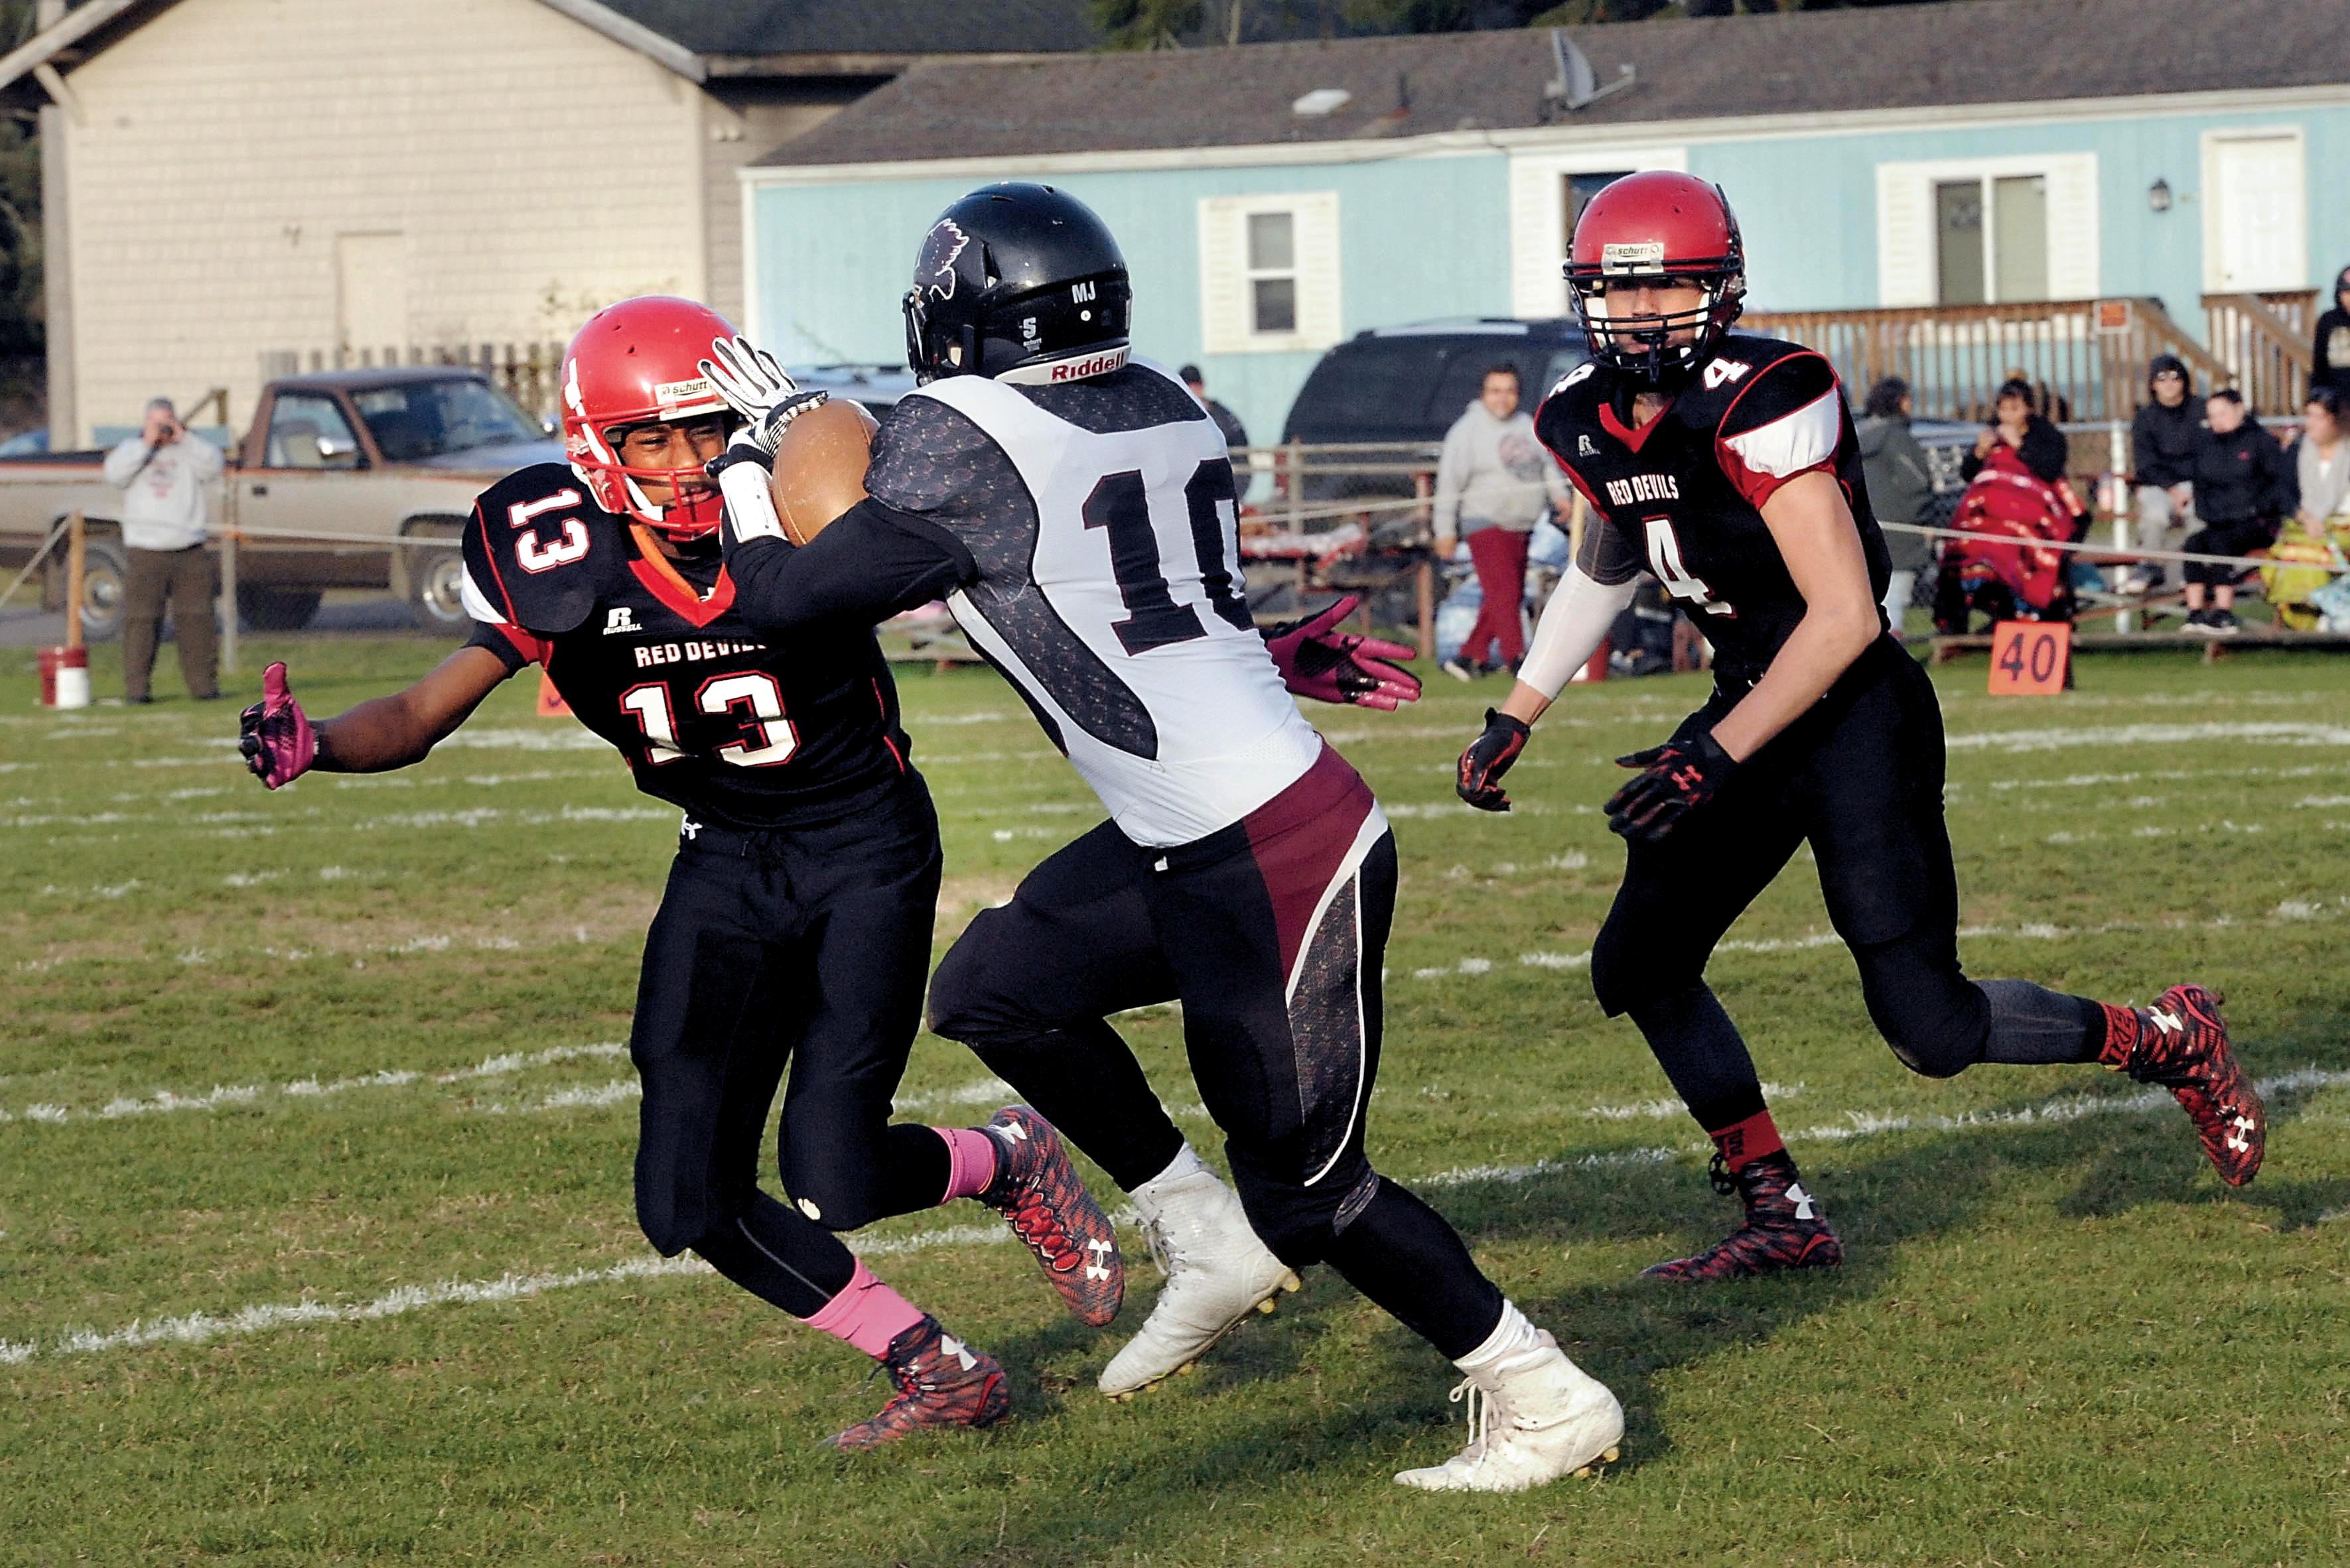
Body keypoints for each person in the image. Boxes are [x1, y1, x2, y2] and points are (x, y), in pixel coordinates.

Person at [717, 182, 1625, 1494]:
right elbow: (1150, 585)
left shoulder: (961, 430)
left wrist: (765, 450)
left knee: (1314, 1193)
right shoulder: (1162, 397)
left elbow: (791, 598)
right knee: (997, 987)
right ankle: (1200, 1234)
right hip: (1198, 833)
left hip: (1273, 851)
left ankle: (1541, 1393)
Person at [234, 296, 1125, 1452]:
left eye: (706, 427)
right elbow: (420, 707)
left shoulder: (806, 516)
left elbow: (1023, 598)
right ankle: (933, 1365)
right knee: (683, 1200)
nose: (691, 460)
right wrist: (321, 743)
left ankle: (1005, 1158)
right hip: (723, 861)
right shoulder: (560, 560)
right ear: (595, 448)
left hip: (865, 849)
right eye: (653, 437)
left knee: (834, 1170)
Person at [1450, 171, 2264, 1285]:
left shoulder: (1761, 392)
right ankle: (1778, 1207)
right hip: (1744, 710)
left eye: (1666, 288)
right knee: (1640, 960)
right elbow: (1611, 556)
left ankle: (2168, 1037)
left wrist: (1712, 751)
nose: (1638, 314)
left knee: (1930, 1029)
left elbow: (1840, 618)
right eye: (1615, 292)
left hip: (1848, 717)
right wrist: (1517, 709)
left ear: (1719, 287)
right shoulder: (1581, 412)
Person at [1432, 363, 1570, 680]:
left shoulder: (1527, 425)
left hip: (1521, 524)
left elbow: (1546, 468)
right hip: (1484, 522)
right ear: (1483, 394)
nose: (1502, 399)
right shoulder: (1466, 431)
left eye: (1509, 391)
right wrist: (1444, 532)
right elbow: (1449, 485)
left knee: (1505, 595)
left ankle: (1468, 657)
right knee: (1505, 595)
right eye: (1495, 391)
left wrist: (1560, 498)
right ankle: (1518, 659)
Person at [104, 396, 225, 703]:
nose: (163, 429)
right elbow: (114, 475)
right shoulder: (132, 450)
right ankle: (137, 690)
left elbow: (214, 466)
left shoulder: (190, 450)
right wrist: (147, 443)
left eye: (167, 421)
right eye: (157, 422)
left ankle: (203, 687)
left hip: (189, 548)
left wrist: (183, 437)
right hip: (147, 550)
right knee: (142, 621)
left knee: (197, 620)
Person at [2182, 387, 2290, 636]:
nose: (2217, 421)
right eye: (2212, 416)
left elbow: (2278, 484)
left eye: (2222, 413)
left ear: (2239, 409)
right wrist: (2208, 513)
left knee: (2222, 544)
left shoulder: (2261, 441)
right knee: (2193, 545)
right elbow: (2201, 486)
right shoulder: (2206, 446)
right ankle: (2195, 612)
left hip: (2257, 523)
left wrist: (2258, 509)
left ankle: (2223, 612)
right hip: (2218, 521)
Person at [2262, 386, 2350, 627]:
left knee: (2314, 551)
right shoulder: (2298, 449)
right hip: (2305, 523)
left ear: (2334, 420)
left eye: (2317, 416)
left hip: (2344, 525)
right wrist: (2305, 517)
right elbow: (2283, 491)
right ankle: (2310, 616)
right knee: (2294, 552)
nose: (2310, 423)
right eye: (2308, 415)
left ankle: (2327, 613)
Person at [1854, 376, 1933, 631]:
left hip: (1861, 531)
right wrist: (1924, 520)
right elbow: (1917, 484)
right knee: (1895, 602)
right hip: (1901, 534)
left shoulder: (1854, 437)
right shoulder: (1897, 439)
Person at [2123, 355, 2201, 593]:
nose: (2170, 383)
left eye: (2176, 377)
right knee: (2155, 514)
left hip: (2196, 481)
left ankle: (2196, 571)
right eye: (2162, 378)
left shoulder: (2201, 410)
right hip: (2159, 484)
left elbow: (2209, 454)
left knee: (2199, 514)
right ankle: (2150, 567)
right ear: (2153, 385)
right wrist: (2172, 490)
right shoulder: (2145, 419)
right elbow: (2145, 465)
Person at [1178, 363, 1249, 454]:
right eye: (1188, 386)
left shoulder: (1222, 415)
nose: (1193, 390)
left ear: (1202, 386)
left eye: (1196, 385)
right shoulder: (1175, 417)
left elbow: (1239, 444)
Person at [2307, 265, 2350, 397]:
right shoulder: (2328, 321)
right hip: (2336, 398)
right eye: (2347, 292)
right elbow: (2319, 363)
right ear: (2339, 294)